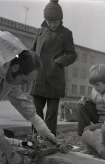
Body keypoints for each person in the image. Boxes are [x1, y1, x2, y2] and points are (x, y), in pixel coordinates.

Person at [0, 31, 56, 164]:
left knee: (1, 134)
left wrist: (42, 128)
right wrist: (10, 153)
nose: (23, 85)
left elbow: (20, 100)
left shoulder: (8, 67)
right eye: (24, 80)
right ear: (16, 68)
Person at [30, 0, 77, 136]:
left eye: (55, 22)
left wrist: (58, 62)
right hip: (38, 78)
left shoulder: (66, 33)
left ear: (60, 20)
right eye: (49, 22)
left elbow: (72, 54)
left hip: (54, 78)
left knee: (51, 114)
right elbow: (32, 51)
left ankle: (49, 139)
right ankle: (35, 138)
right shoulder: (39, 32)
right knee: (36, 112)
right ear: (45, 20)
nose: (52, 24)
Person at [77, 64, 105, 136]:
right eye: (92, 85)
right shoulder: (95, 89)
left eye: (97, 85)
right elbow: (95, 103)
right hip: (99, 119)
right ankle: (83, 135)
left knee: (87, 130)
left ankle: (86, 134)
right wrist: (87, 101)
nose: (94, 88)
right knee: (82, 104)